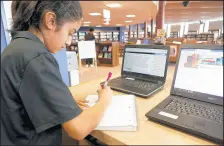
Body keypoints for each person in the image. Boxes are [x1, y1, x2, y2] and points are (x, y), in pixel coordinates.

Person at [1, 1, 112, 145]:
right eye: (70, 32)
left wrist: (61, 104)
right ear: (51, 21)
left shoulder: (18, 48)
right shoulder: (36, 57)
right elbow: (79, 129)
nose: (68, 42)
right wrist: (105, 100)